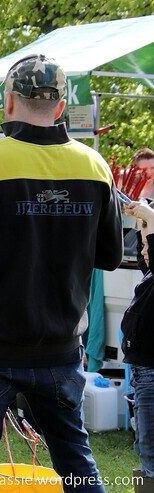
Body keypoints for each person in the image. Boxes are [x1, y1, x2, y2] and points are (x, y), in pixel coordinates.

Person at [0, 54, 122, 492]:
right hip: (58, 344)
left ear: (9, 103)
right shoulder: (94, 167)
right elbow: (110, 256)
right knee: (75, 457)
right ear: (60, 107)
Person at [121, 201, 154, 489]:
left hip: (152, 373)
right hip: (144, 372)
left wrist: (150, 218)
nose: (143, 252)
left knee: (150, 448)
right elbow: (147, 257)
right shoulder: (151, 278)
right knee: (144, 444)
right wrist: (142, 223)